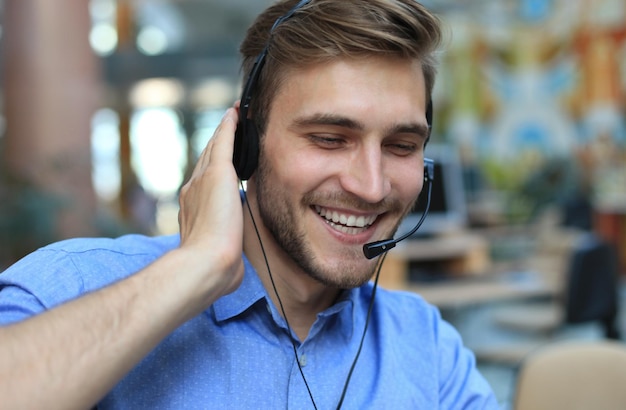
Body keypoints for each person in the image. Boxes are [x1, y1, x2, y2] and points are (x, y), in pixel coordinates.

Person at [0, 0, 499, 408]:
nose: (371, 187)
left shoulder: (425, 346)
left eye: (402, 146)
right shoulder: (73, 286)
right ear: (245, 142)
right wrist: (197, 268)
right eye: (329, 138)